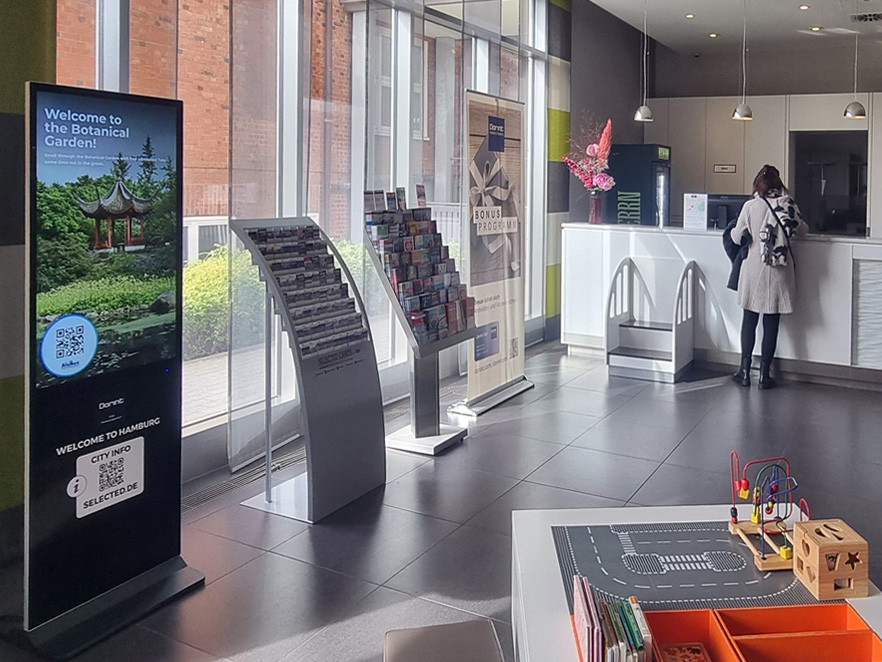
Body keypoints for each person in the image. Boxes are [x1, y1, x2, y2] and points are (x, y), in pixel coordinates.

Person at [730, 165, 807, 389]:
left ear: (757, 185)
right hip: (779, 270)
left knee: (749, 320)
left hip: (754, 269)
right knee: (771, 322)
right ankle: (764, 376)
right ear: (778, 184)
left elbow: (736, 237)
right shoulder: (787, 204)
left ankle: (745, 372)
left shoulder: (750, 206)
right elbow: (803, 231)